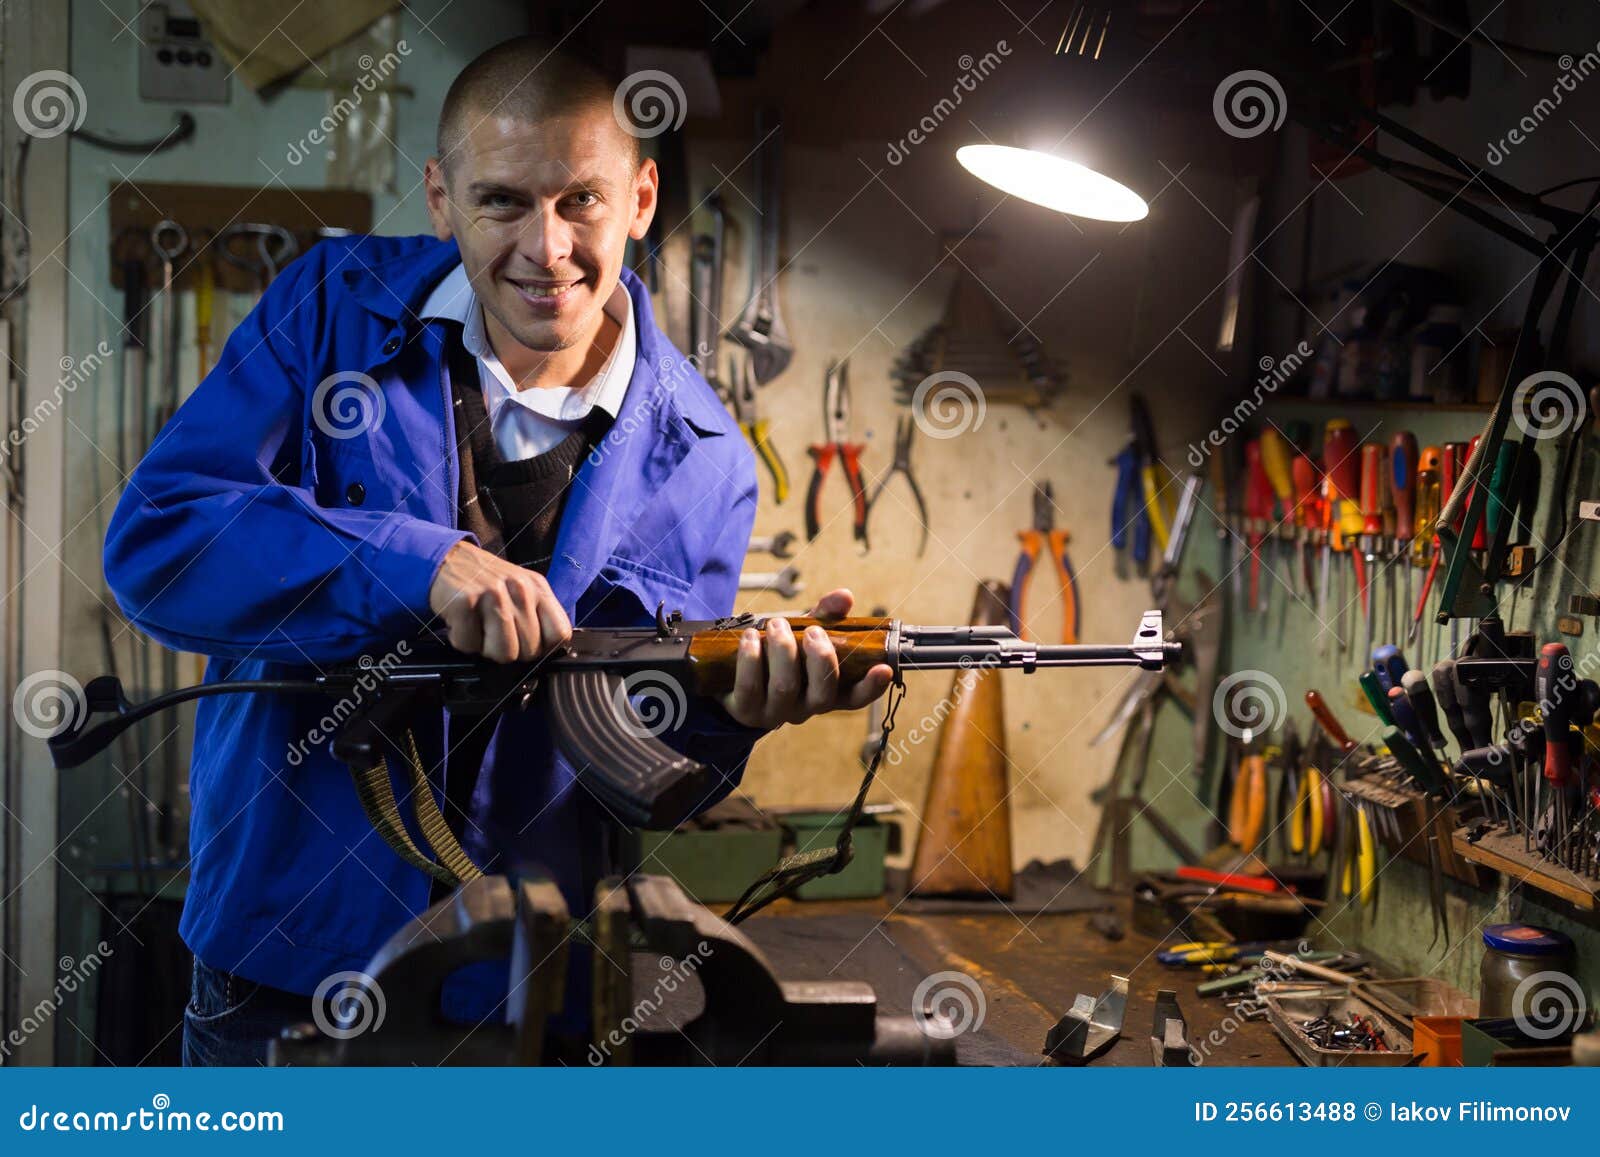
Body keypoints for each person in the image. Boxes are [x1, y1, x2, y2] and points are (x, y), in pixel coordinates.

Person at [103, 37, 890, 1065]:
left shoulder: (707, 461)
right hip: (288, 952)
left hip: (530, 984)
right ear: (440, 198)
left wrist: (737, 719)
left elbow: (652, 769)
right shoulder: (328, 310)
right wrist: (409, 561)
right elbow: (161, 543)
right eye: (503, 202)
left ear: (642, 197)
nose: (546, 246)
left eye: (580, 202)